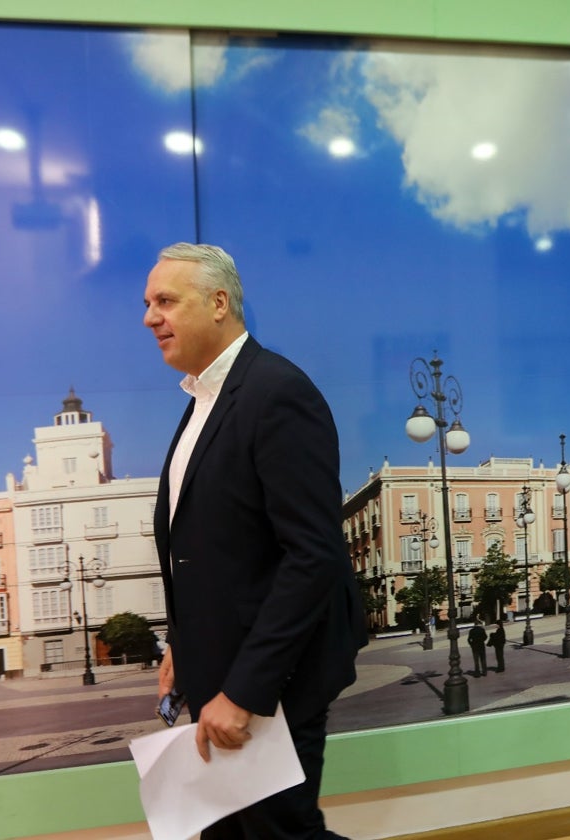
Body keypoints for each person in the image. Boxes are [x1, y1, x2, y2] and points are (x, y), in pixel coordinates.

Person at [145, 242, 367, 839]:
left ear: (219, 303)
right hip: (220, 674)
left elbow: (311, 556)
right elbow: (215, 552)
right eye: (148, 303)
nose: (149, 317)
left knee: (279, 836)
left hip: (275, 683)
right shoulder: (201, 404)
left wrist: (245, 691)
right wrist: (182, 647)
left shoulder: (277, 393)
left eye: (166, 300)